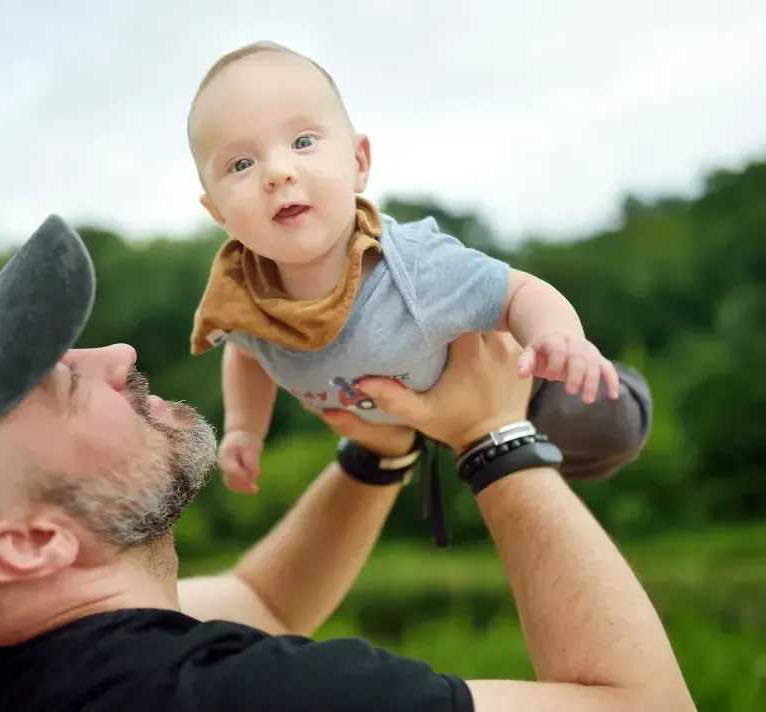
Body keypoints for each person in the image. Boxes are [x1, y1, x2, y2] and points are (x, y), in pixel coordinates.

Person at [0, 214, 694, 711]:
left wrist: (380, 455)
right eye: (58, 385)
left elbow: (263, 604)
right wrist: (495, 436)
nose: (117, 355)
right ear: (30, 542)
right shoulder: (232, 700)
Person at [185, 42, 653, 533]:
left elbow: (519, 293)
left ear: (359, 162)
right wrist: (244, 428)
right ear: (217, 212)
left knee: (612, 427)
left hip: (523, 388)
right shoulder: (240, 300)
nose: (278, 172)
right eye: (241, 164)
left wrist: (558, 338)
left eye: (303, 141)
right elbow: (246, 353)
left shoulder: (413, 267)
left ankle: (617, 400)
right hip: (405, 429)